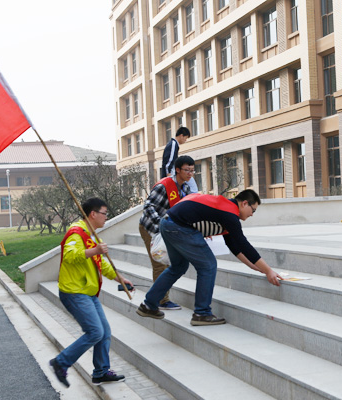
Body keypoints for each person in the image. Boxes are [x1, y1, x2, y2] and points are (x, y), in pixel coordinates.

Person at [136, 189, 282, 326]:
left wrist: (256, 267)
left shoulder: (224, 209)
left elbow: (234, 246)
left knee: (178, 267)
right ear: (244, 203)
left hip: (168, 223)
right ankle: (202, 313)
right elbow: (244, 244)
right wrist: (269, 271)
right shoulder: (230, 213)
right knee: (208, 266)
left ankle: (149, 304)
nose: (252, 214)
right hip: (179, 227)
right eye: (253, 210)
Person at [49, 198, 133, 388]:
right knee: (95, 332)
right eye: (104, 213)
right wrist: (94, 249)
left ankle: (101, 372)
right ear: (93, 214)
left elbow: (100, 262)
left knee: (104, 332)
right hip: (74, 292)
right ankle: (60, 362)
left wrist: (119, 278)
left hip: (87, 292)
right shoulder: (76, 233)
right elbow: (70, 256)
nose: (106, 217)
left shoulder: (92, 234)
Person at [139, 156, 195, 311]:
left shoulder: (186, 188)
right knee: (159, 264)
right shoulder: (164, 186)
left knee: (168, 263)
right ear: (177, 170)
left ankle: (160, 298)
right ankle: (161, 300)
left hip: (168, 231)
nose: (190, 173)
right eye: (186, 170)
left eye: (192, 170)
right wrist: (161, 224)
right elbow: (148, 206)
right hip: (151, 228)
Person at [161, 126, 198, 193]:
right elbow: (169, 160)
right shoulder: (173, 144)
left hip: (172, 172)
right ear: (181, 136)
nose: (185, 140)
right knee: (193, 187)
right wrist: (168, 174)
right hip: (172, 172)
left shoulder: (173, 144)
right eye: (185, 138)